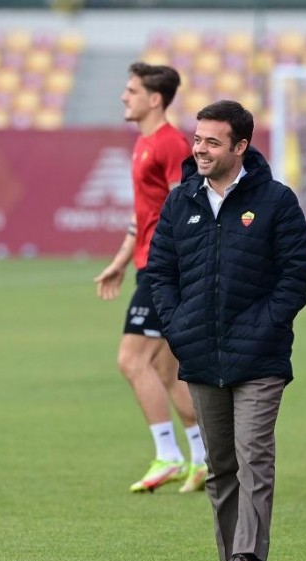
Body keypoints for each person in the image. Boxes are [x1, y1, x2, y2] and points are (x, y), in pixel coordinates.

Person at [147, 100, 306, 561]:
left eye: (212, 142)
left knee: (253, 455)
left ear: (240, 147)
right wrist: (178, 326)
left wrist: (265, 326)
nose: (199, 149)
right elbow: (161, 272)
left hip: (260, 356)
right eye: (197, 139)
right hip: (200, 354)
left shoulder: (276, 201)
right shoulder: (181, 201)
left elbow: (299, 274)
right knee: (219, 466)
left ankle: (245, 556)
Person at [93, 63, 208, 494]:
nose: (124, 97)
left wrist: (177, 263)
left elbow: (189, 205)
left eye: (131, 90)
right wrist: (122, 260)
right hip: (148, 263)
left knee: (131, 360)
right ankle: (204, 458)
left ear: (154, 98)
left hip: (167, 268)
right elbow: (144, 214)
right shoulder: (145, 143)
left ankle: (169, 455)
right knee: (165, 367)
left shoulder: (171, 143)